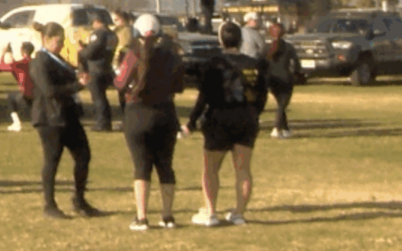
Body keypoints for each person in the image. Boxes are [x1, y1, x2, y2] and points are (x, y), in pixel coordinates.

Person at [187, 22, 268, 226]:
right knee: (243, 169)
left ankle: (211, 212)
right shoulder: (254, 64)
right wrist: (254, 113)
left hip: (218, 118)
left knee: (211, 168)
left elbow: (204, 96)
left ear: (221, 40)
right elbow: (262, 94)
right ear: (241, 40)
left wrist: (191, 121)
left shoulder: (213, 63)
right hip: (246, 118)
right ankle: (239, 213)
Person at [115, 13, 186, 230]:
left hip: (138, 114)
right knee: (165, 166)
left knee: (141, 167)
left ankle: (142, 217)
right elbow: (179, 86)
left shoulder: (133, 55)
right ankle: (167, 216)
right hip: (165, 113)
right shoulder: (170, 55)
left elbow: (119, 83)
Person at [30, 22, 98, 219]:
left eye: (62, 41)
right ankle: (49, 204)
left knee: (83, 155)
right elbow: (49, 90)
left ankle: (79, 200)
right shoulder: (40, 61)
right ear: (46, 40)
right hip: (50, 118)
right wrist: (77, 86)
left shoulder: (58, 58)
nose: (60, 45)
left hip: (68, 115)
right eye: (57, 41)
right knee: (52, 160)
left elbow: (66, 77)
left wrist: (78, 75)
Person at [260, 20, 300, 138]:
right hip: (285, 78)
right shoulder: (288, 47)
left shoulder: (266, 47)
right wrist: (296, 75)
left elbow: (260, 63)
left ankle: (285, 129)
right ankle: (276, 128)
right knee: (282, 106)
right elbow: (296, 64)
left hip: (272, 79)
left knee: (280, 104)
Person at [78, 13, 117, 132]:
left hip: (96, 69)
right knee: (103, 98)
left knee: (98, 98)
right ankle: (106, 122)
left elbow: (91, 52)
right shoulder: (112, 34)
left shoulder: (98, 33)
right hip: (107, 67)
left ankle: (102, 123)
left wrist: (82, 50)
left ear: (97, 22)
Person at [0, 41, 36, 131]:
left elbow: (0, 66)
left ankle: (16, 123)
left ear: (22, 51)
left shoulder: (19, 64)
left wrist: (3, 54)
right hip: (39, 93)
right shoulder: (36, 62)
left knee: (11, 97)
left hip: (26, 94)